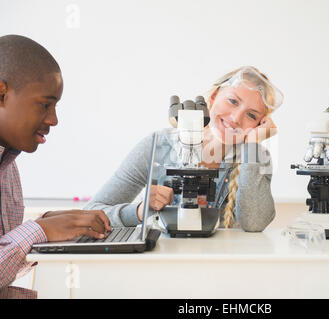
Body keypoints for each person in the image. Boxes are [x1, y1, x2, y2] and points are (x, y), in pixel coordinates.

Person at [85, 66, 283, 231]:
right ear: (213, 97)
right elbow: (90, 214)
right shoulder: (157, 146)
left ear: (259, 125)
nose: (236, 118)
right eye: (232, 101)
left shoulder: (256, 157)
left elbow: (254, 224)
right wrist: (140, 210)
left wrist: (252, 146)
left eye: (251, 115)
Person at [0, 35, 110, 299]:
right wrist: (39, 231)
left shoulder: (8, 164)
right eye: (45, 105)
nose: (54, 119)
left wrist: (44, 225)